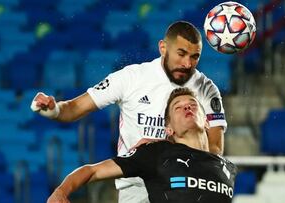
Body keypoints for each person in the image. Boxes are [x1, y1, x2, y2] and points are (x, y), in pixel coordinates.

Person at [31, 21, 227, 202]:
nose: (187, 64)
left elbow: (215, 148)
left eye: (195, 57)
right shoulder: (131, 78)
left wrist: (171, 154)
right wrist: (53, 109)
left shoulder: (206, 89)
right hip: (135, 185)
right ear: (163, 48)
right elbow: (73, 109)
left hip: (182, 183)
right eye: (181, 54)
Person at [46, 87, 236, 203]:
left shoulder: (227, 168)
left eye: (193, 105)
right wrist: (60, 192)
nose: (187, 107)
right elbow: (92, 171)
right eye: (178, 107)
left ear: (206, 122)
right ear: (168, 129)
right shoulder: (156, 152)